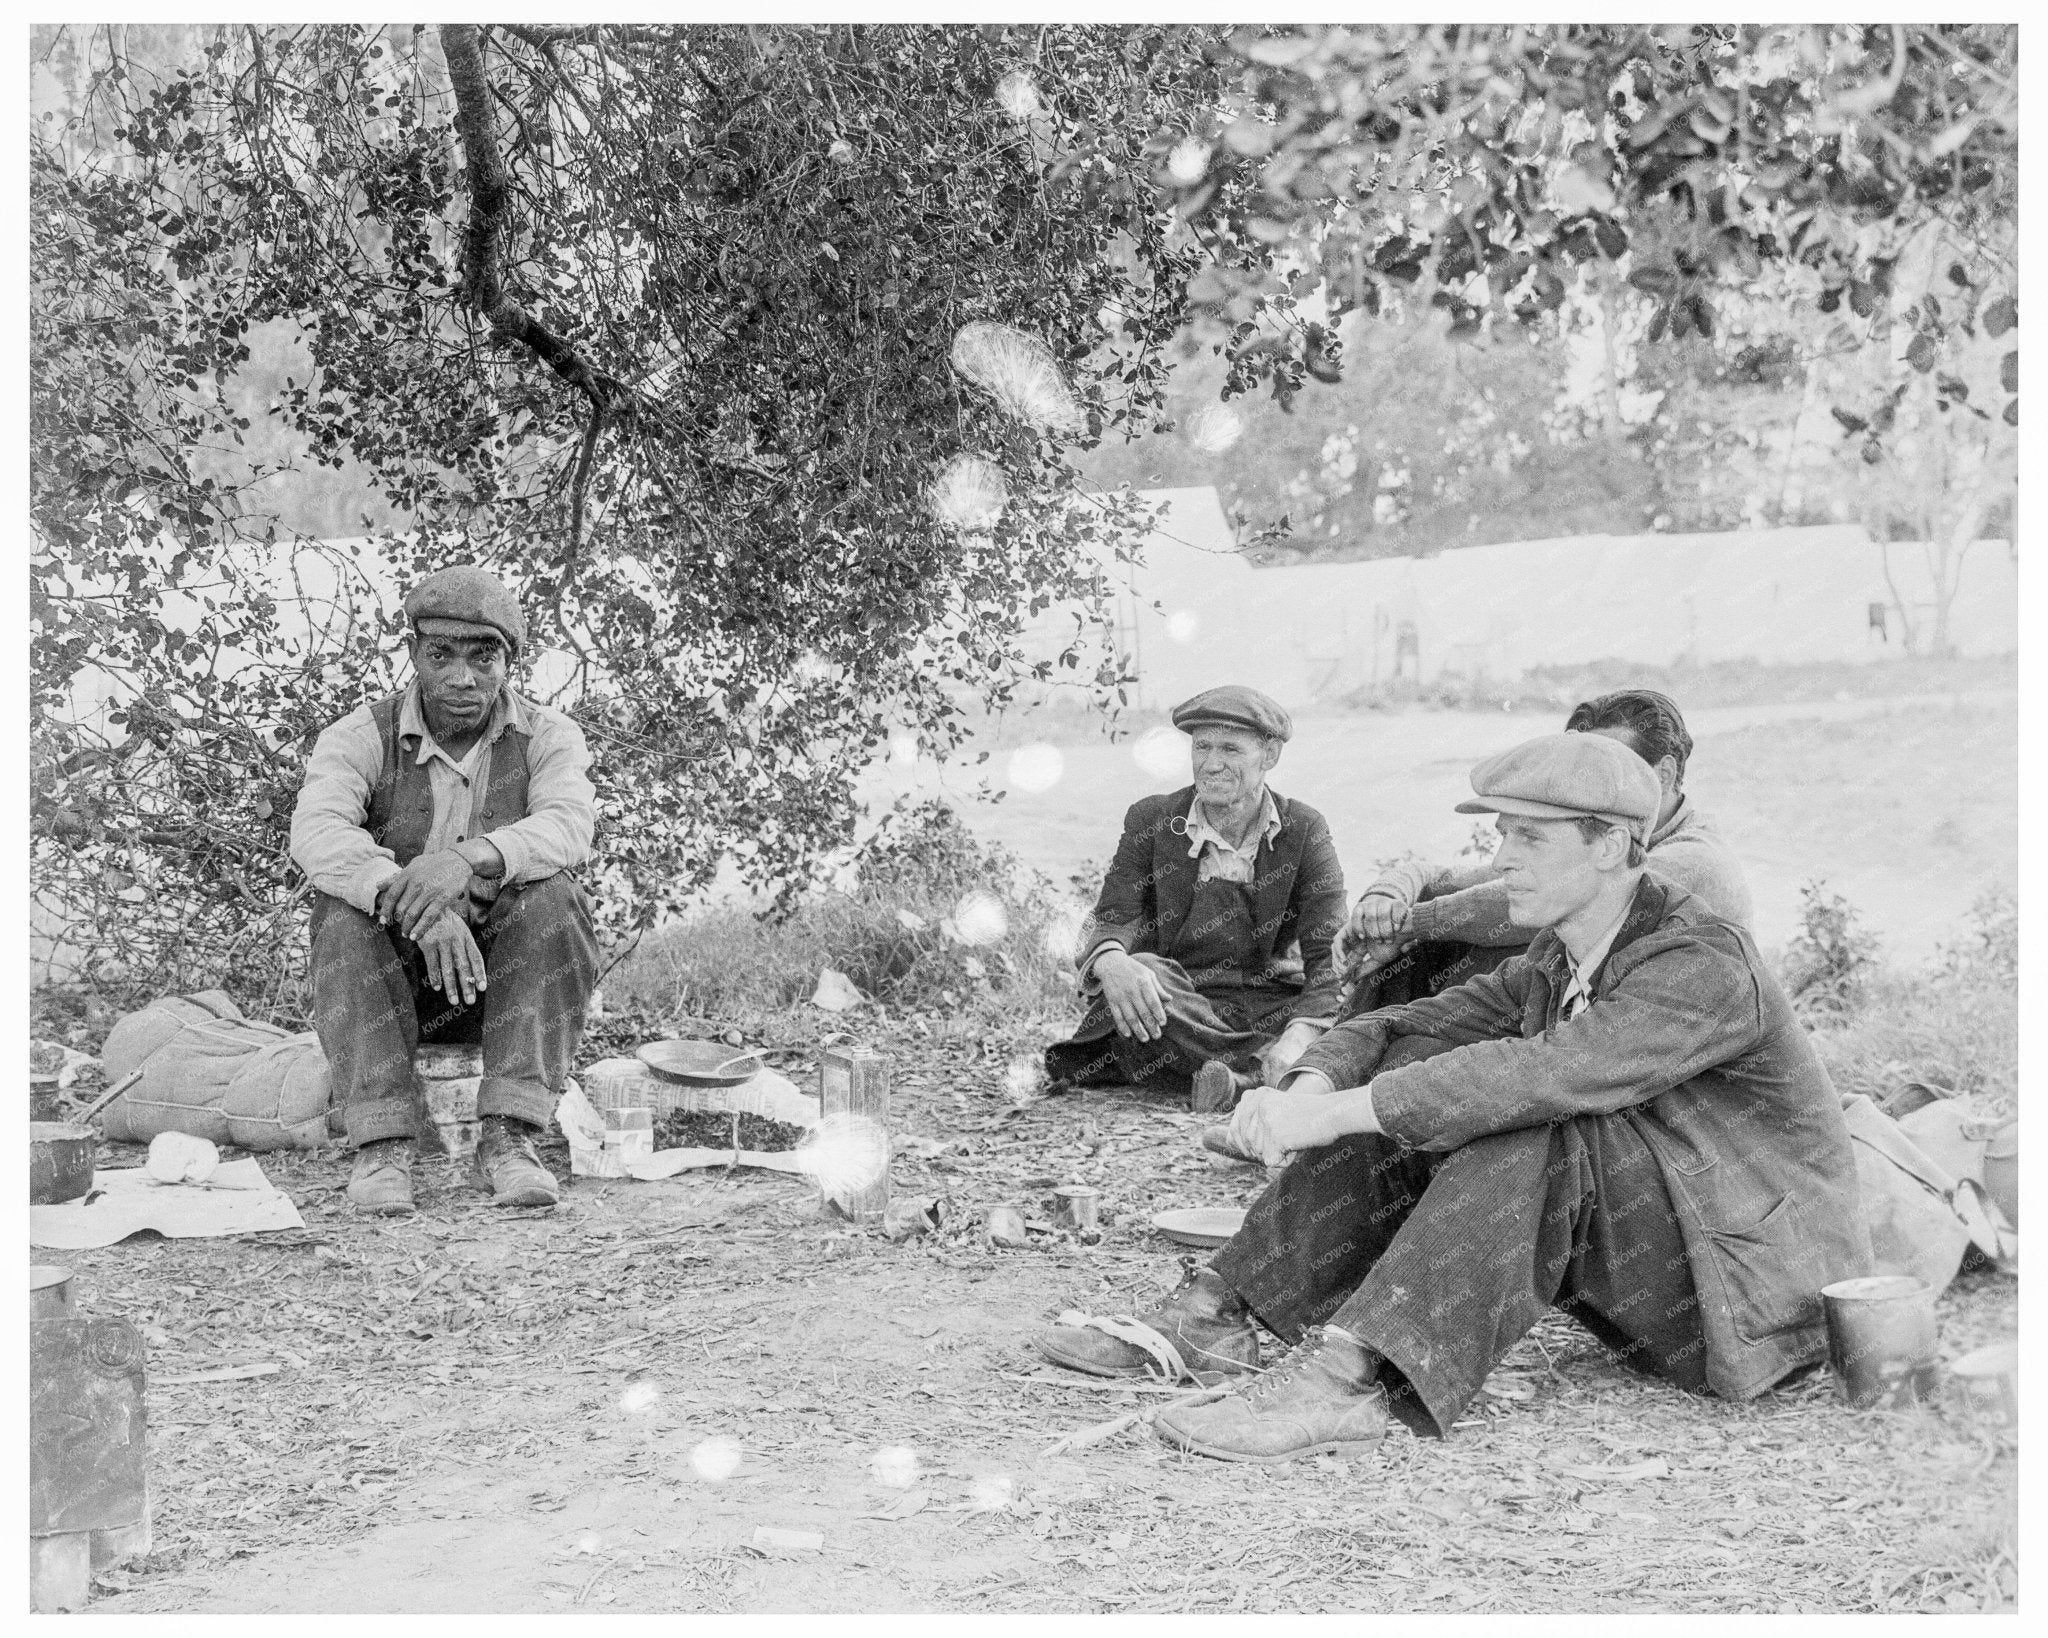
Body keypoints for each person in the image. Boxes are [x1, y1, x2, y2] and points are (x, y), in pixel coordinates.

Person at [1033, 731, 1868, 1463]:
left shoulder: (1701, 959)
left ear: (1610, 845)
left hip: (1751, 1297)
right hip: (1672, 1249)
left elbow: (1541, 1075)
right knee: (1430, 1062)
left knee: (1529, 1122)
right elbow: (1413, 1021)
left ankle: (1356, 1377)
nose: (1502, 857)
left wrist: (1331, 1115)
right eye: (1503, 833)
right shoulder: (1564, 948)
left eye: (1529, 838)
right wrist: (1312, 1080)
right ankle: (1225, 1313)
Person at [290, 565, 600, 1217]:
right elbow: (317, 832)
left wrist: (472, 859)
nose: (463, 677)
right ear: (413, 656)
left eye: (483, 656)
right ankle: (383, 1146)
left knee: (557, 900)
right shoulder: (359, 737)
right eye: (442, 655)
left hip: (502, 994)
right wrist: (414, 904)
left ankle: (510, 1139)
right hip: (393, 991)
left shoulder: (547, 735)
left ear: (511, 660)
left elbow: (570, 825)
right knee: (341, 912)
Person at [1333, 688, 1751, 1015]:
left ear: (1664, 774)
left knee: (1476, 942)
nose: (1579, 786)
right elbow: (1462, 878)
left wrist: (1413, 924)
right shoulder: (1592, 834)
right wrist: (1389, 897)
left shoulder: (1696, 861)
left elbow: (1526, 900)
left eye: (1602, 768)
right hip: (1582, 1018)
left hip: (1653, 1058)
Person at [1043, 686, 1346, 1112]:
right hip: (1174, 1002)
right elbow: (1113, 916)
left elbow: (1328, 954)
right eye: (1202, 746)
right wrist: (1112, 960)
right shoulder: (1151, 819)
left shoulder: (1305, 828)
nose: (1212, 764)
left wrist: (1298, 1034)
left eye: (1231, 749)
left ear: (1270, 755)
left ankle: (1239, 1077)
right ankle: (1270, 1073)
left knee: (1359, 1003)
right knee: (1141, 976)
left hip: (1263, 1001)